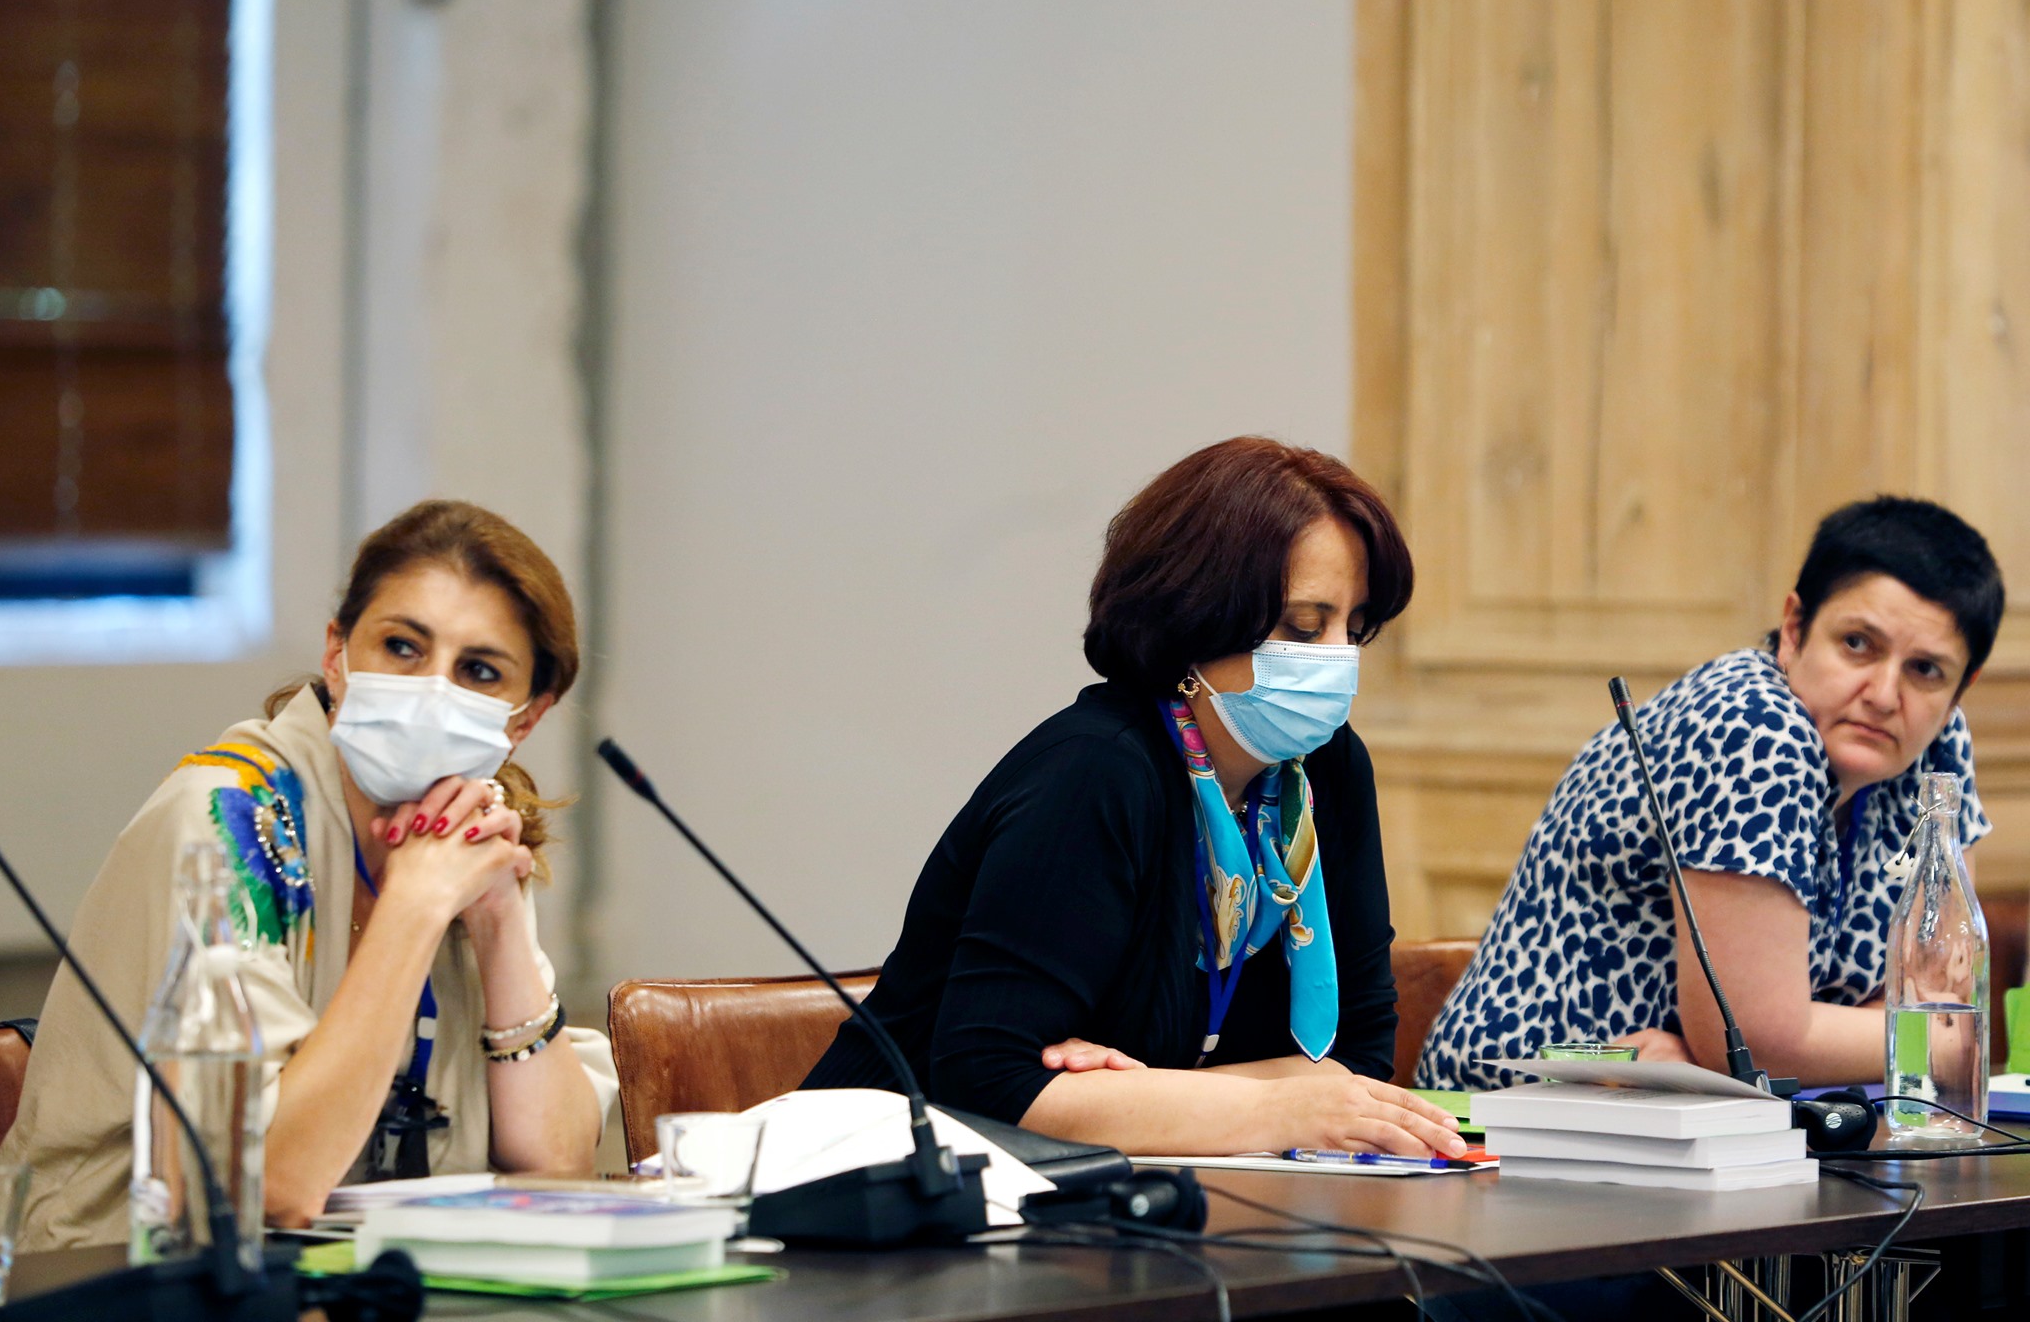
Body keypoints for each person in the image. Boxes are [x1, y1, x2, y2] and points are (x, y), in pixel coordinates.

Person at [803, 436, 1466, 1159]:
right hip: (876, 1181)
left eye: (1354, 629)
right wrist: (1264, 1106)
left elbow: (1355, 1063)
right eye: (1302, 627)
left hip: (1131, 1190)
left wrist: (1151, 1097)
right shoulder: (1093, 772)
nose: (1337, 658)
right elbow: (989, 1080)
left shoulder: (1325, 771)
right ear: (1197, 619)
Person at [4, 501, 619, 1249]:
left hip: (369, 1278)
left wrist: (498, 925)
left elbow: (557, 1161)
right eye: (402, 647)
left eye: (478, 671)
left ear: (525, 718)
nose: (432, 690)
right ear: (337, 654)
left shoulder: (465, 835)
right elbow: (272, 1189)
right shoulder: (222, 826)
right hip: (122, 1276)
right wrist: (413, 908)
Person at [1418, 496, 2004, 1091]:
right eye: (1857, 643)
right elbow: (1764, 1041)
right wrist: (1938, 1041)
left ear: (1961, 688)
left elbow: (1938, 990)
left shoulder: (1936, 742)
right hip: (1518, 1108)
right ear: (1795, 629)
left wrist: (1927, 1032)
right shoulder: (1753, 728)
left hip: (1714, 1115)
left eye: (1926, 670)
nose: (1883, 694)